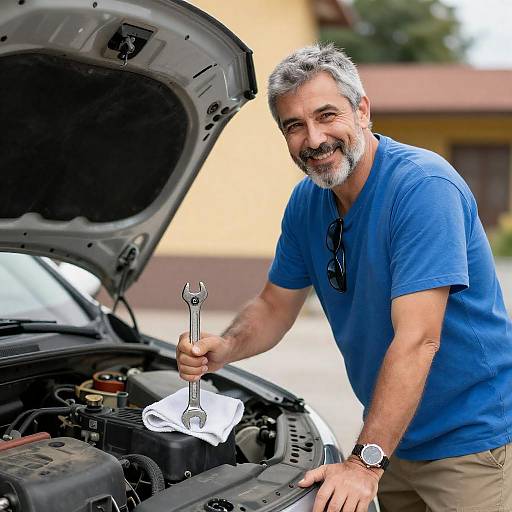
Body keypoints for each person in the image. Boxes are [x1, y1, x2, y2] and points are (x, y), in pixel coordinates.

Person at [176, 44, 512, 512]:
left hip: (470, 444)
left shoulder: (422, 189)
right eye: (294, 126)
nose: (313, 139)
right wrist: (226, 348)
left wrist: (363, 464)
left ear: (363, 111)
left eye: (326, 115)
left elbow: (418, 340)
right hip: (395, 441)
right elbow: (275, 305)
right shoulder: (306, 204)